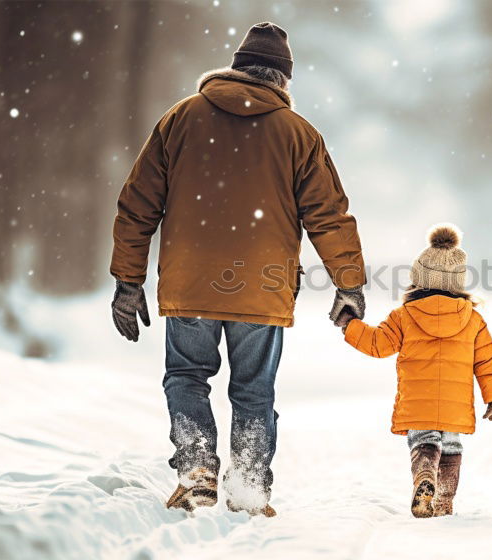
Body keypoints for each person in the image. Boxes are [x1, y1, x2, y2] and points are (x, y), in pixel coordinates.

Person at [109, 22, 366, 517]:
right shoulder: (299, 135)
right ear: (282, 81)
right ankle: (248, 485)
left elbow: (137, 205)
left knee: (186, 375)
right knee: (254, 388)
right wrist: (349, 285)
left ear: (236, 66)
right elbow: (329, 216)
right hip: (261, 289)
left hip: (189, 282)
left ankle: (198, 473)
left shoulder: (180, 119)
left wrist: (128, 281)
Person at [336, 224, 492, 518]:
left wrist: (349, 324)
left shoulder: (405, 316)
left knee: (424, 443)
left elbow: (377, 344)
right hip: (455, 404)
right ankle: (443, 502)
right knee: (452, 449)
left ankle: (424, 476)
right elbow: (487, 362)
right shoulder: (472, 319)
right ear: (458, 282)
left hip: (419, 400)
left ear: (418, 278)